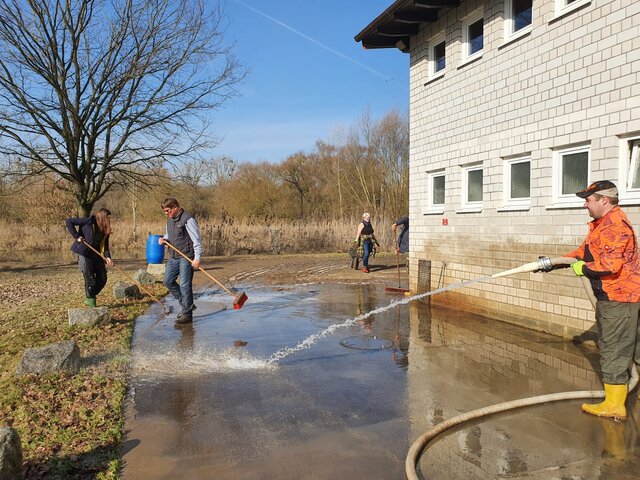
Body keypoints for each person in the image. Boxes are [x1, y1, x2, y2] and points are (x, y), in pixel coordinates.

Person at [566, 180, 640, 420]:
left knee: (613, 348)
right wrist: (552, 262)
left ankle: (614, 405)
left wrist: (583, 269)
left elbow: (610, 265)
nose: (585, 204)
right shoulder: (601, 225)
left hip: (619, 297)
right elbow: (583, 252)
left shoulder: (614, 226)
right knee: (633, 347)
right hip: (622, 296)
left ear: (603, 200)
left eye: (588, 200)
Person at [159, 198, 202, 326]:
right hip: (173, 256)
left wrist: (197, 258)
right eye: (165, 211)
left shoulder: (188, 220)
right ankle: (187, 305)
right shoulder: (169, 220)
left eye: (167, 211)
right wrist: (163, 239)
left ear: (175, 207)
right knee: (167, 281)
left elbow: (197, 240)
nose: (166, 213)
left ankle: (187, 314)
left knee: (184, 285)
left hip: (186, 256)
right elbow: (169, 235)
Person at [65, 208, 113, 308]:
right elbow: (69, 221)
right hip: (85, 253)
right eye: (108, 218)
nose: (109, 220)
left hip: (97, 254)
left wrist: (108, 257)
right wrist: (77, 236)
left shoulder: (105, 229)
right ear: (102, 217)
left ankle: (89, 295)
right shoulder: (88, 222)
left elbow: (105, 245)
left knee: (102, 278)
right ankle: (91, 302)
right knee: (90, 279)